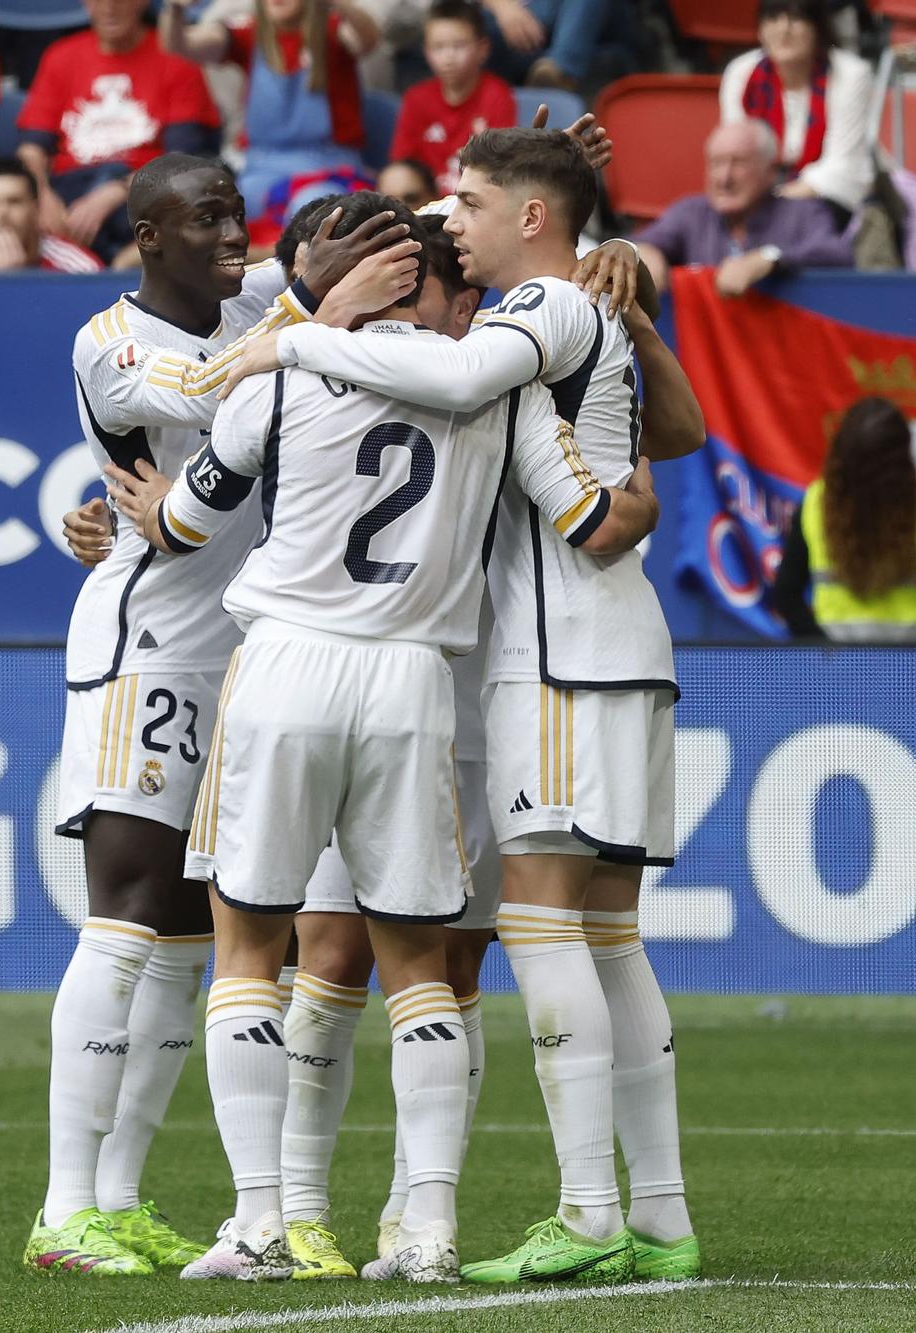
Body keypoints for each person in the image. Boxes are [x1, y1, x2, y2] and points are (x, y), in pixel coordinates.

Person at [108, 191, 657, 1285]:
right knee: (421, 970)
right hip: (415, 681)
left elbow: (185, 521)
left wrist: (143, 507)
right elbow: (593, 520)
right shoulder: (497, 390)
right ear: (440, 284)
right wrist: (634, 490)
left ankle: (261, 1220)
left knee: (250, 949)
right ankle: (429, 1232)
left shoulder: (284, 367)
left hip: (285, 667)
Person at [221, 125, 708, 1284]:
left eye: (470, 204)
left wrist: (300, 344)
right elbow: (655, 444)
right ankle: (644, 1214)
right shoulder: (526, 335)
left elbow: (584, 448)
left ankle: (565, 1213)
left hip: (532, 666)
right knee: (571, 938)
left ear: (524, 221)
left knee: (515, 942)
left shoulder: (510, 342)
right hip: (489, 671)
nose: (455, 223)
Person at [25, 151, 418, 1280]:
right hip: (143, 642)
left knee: (194, 934)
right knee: (125, 908)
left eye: (235, 213)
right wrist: (303, 307)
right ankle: (62, 1206)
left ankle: (118, 1195)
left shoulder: (256, 300)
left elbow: (344, 263)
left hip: (245, 655)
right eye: (203, 218)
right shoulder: (108, 340)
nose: (229, 233)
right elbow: (205, 393)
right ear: (147, 236)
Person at [17, 0, 220, 265]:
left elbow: (182, 158)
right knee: (8, 207)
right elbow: (31, 147)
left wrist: (115, 192)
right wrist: (41, 194)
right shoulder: (61, 56)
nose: (109, 8)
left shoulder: (175, 57)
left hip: (143, 186)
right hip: (68, 187)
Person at [771, 396, 916, 642]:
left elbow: (786, 594)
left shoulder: (815, 503)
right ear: (906, 453)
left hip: (839, 672)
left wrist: (825, 653)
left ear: (839, 453)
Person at [159, 0, 378, 214]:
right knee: (216, 209)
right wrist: (175, 9)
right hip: (260, 169)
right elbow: (178, 45)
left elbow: (368, 39)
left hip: (327, 168)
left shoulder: (334, 30)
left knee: (308, 210)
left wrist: (341, 4)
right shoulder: (246, 33)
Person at [633, 118, 853, 296]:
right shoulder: (691, 213)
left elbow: (838, 254)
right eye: (716, 163)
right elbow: (644, 243)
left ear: (772, 171)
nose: (724, 178)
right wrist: (643, 253)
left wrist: (769, 259)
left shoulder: (802, 212)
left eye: (739, 163)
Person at [720, 0, 873, 217]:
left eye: (796, 19)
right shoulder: (742, 72)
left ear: (817, 28)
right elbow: (736, 151)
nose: (784, 30)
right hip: (759, 197)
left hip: (828, 198)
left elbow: (843, 165)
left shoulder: (850, 74)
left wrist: (777, 201)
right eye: (773, 19)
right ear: (761, 31)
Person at [388, 0, 514, 197]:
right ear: (426, 52)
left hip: (477, 202)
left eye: (459, 45)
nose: (448, 56)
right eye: (438, 47)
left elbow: (503, 165)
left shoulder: (497, 94)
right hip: (427, 203)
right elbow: (403, 163)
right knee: (396, 177)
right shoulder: (416, 98)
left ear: (482, 49)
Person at [0, 157, 103, 271]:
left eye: (14, 201)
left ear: (36, 211)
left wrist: (16, 281)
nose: (2, 213)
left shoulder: (79, 269)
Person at [476, 0, 611, 92]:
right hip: (516, 24)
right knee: (474, 27)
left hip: (580, 18)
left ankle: (558, 70)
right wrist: (502, 7)